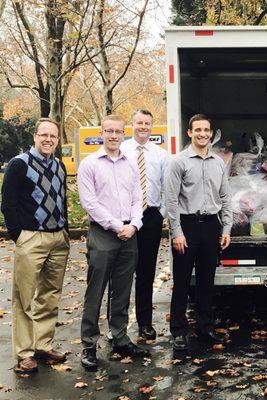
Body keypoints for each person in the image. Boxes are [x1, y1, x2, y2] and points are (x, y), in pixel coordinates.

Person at [77, 114, 148, 369]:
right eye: (109, 131)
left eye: (118, 131)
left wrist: (135, 225)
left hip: (129, 235)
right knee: (95, 292)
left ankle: (119, 337)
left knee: (122, 290)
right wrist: (119, 226)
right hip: (103, 234)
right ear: (102, 132)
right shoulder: (89, 164)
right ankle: (88, 345)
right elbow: (89, 203)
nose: (114, 135)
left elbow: (138, 198)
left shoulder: (130, 163)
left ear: (123, 133)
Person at [1, 118, 70, 373]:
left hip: (57, 239)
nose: (48, 139)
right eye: (44, 135)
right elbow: (7, 204)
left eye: (53, 136)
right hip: (31, 238)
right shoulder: (19, 165)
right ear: (35, 136)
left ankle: (43, 345)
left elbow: (60, 199)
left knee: (49, 296)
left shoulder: (60, 166)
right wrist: (19, 235)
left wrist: (63, 230)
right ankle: (25, 353)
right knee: (24, 298)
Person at [165, 114, 232, 352]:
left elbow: (225, 197)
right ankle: (180, 331)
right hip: (187, 226)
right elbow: (171, 200)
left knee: (207, 282)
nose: (203, 134)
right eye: (198, 130)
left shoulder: (218, 162)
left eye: (206, 130)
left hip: (211, 226)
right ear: (190, 133)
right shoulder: (179, 162)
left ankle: (205, 328)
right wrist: (177, 232)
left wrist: (226, 227)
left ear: (211, 133)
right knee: (182, 282)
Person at [120, 109, 167, 341]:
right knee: (121, 273)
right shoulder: (121, 150)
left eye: (147, 123)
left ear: (152, 126)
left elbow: (167, 185)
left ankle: (145, 324)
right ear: (132, 124)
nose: (143, 127)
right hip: (126, 217)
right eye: (139, 122)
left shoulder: (160, 155)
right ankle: (116, 327)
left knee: (146, 273)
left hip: (151, 217)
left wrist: (162, 213)